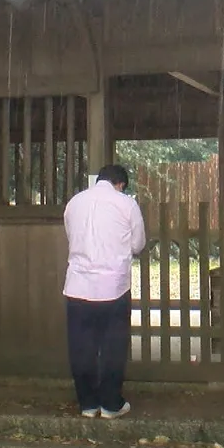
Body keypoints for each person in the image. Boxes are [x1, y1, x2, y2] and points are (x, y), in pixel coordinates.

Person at [62, 164, 146, 419]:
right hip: (113, 287)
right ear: (120, 184)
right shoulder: (127, 204)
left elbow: (71, 236)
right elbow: (138, 244)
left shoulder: (74, 203)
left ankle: (87, 403)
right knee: (113, 346)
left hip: (78, 285)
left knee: (81, 346)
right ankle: (111, 404)